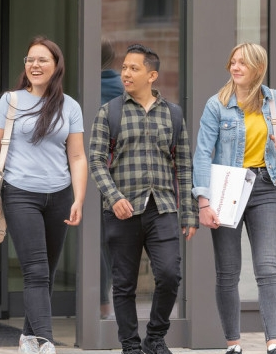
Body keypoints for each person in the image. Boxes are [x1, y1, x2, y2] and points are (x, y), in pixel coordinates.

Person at [192, 42, 276, 354]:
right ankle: (233, 345)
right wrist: (203, 200)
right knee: (228, 271)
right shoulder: (218, 105)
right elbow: (202, 154)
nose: (235, 67)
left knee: (268, 267)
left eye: (242, 63)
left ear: (257, 68)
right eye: (233, 62)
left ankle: (273, 344)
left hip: (265, 186)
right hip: (227, 189)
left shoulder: (273, 101)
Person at [0, 36, 86, 354]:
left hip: (60, 196)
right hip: (20, 194)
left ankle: (28, 336)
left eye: (43, 60)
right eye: (30, 60)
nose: (35, 65)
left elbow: (78, 157)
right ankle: (45, 340)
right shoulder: (11, 101)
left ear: (56, 67)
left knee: (47, 271)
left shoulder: (70, 106)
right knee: (36, 270)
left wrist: (78, 198)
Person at [88, 43, 197, 354]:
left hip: (162, 208)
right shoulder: (109, 112)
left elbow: (184, 166)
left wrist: (188, 215)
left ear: (152, 75)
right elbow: (95, 159)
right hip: (122, 210)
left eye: (133, 68)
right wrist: (113, 196)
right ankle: (130, 345)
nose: (125, 73)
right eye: (124, 68)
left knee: (169, 275)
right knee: (123, 284)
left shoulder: (173, 114)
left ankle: (156, 337)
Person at [98, 36, 123, 319]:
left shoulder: (82, 86)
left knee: (96, 239)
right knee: (112, 239)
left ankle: (103, 301)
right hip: (120, 172)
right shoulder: (122, 86)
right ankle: (108, 302)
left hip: (91, 170)